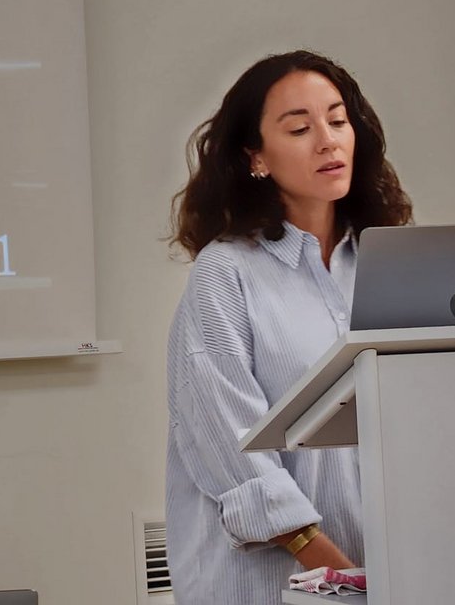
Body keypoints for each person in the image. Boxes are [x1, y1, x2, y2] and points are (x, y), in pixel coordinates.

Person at [164, 49, 412, 604]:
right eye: (300, 128)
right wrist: (345, 579)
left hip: (386, 573)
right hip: (273, 585)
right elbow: (236, 457)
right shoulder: (224, 274)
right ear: (256, 157)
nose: (327, 140)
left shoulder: (383, 264)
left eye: (338, 120)